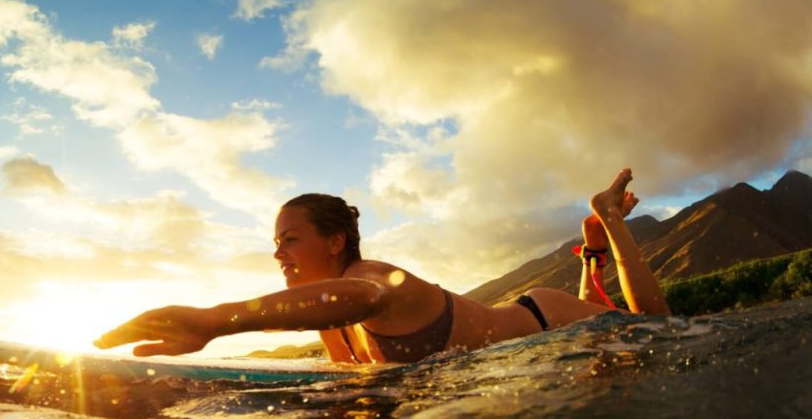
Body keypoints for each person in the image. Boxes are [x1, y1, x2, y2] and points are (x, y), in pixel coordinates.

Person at [94, 168, 670, 363]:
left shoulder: (369, 280)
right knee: (619, 323)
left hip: (540, 319)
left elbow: (362, 302)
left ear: (338, 242)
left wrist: (215, 321)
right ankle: (592, 248)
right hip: (532, 343)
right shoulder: (328, 317)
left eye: (290, 240)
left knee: (656, 330)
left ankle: (609, 222)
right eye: (276, 242)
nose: (278, 254)